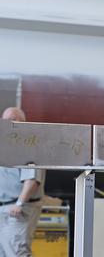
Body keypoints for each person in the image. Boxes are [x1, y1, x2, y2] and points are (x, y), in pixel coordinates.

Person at [0, 107, 46, 257]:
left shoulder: (30, 145)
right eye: (5, 120)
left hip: (18, 210)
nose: (8, 123)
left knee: (17, 251)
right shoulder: (6, 146)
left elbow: (32, 180)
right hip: (4, 209)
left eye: (12, 119)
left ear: (23, 122)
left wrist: (19, 203)